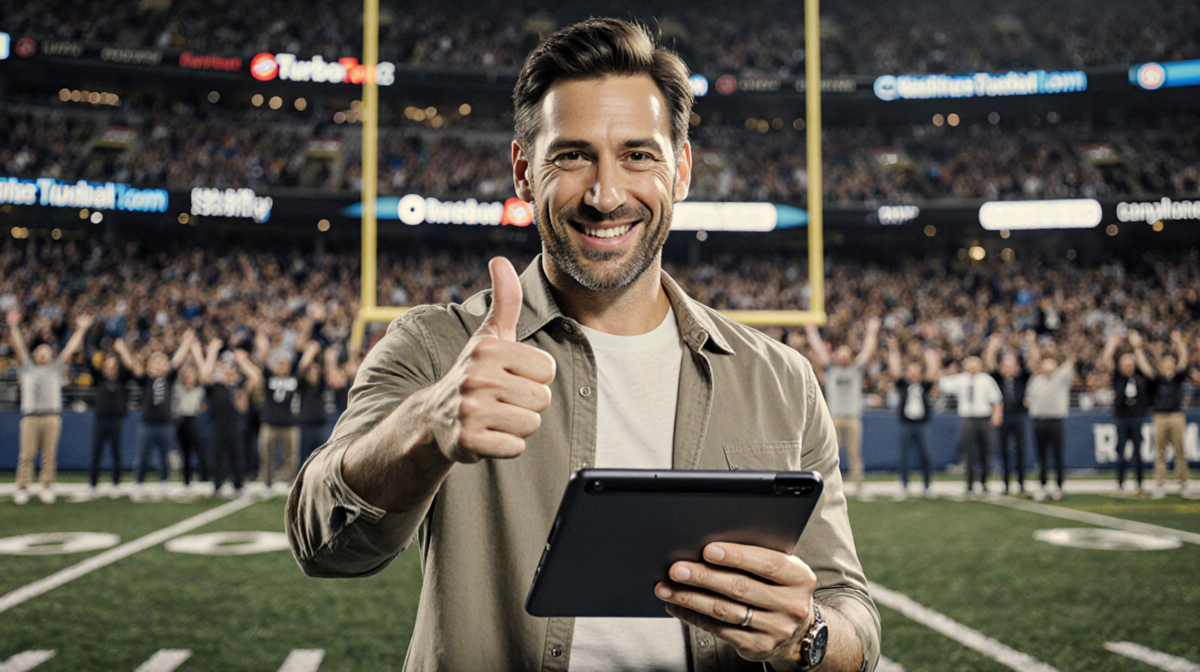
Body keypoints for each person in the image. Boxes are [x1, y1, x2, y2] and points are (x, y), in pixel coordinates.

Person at [286, 18, 878, 672]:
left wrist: (809, 635)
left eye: (638, 154)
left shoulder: (779, 380)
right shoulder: (439, 347)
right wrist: (427, 425)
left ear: (680, 170)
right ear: (522, 171)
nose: (605, 194)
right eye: (572, 155)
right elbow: (324, 543)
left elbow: (848, 610)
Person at [6, 309, 93, 505]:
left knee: (49, 455)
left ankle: (46, 486)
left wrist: (80, 330)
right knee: (26, 455)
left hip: (51, 416)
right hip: (30, 416)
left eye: (48, 352)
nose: (45, 355)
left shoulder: (56, 369)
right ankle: (23, 487)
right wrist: (13, 326)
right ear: (35, 354)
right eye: (41, 352)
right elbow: (19, 348)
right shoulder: (28, 368)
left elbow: (70, 349)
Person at [805, 317, 880, 500]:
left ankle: (859, 487)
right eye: (841, 353)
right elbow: (820, 351)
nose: (844, 357)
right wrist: (811, 331)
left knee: (855, 453)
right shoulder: (831, 369)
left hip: (852, 416)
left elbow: (868, 350)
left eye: (847, 354)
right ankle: (829, 488)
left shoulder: (856, 370)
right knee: (830, 455)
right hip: (835, 417)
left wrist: (872, 331)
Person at [245, 339, 321, 492]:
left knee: (291, 457)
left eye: (284, 363)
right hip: (269, 422)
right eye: (278, 363)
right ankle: (267, 481)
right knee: (266, 456)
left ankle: (290, 481)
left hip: (290, 423)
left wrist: (310, 352)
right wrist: (262, 346)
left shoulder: (294, 379)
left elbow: (302, 367)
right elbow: (264, 361)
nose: (281, 366)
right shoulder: (268, 378)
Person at [129, 331, 196, 498]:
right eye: (155, 363)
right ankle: (138, 483)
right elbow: (134, 366)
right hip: (148, 423)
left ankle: (165, 482)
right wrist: (129, 349)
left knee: (165, 457)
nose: (159, 366)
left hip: (165, 423)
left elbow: (177, 360)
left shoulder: (168, 378)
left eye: (161, 363)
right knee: (142, 456)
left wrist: (186, 343)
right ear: (149, 366)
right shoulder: (145, 379)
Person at [1133, 331, 1192, 499]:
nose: (1169, 365)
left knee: (1180, 451)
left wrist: (1180, 343)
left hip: (1176, 416)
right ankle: (1160, 484)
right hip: (1159, 417)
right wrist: (1138, 349)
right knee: (1160, 453)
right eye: (1166, 363)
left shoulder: (1177, 378)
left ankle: (1183, 483)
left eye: (1171, 362)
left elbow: (1185, 359)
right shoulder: (1157, 379)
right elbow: (1144, 367)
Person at [938, 356, 1003, 496]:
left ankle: (985, 481)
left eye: (975, 365)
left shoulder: (986, 380)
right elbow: (943, 385)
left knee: (986, 450)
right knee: (968, 451)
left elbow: (997, 399)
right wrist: (948, 372)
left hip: (984, 418)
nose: (973, 368)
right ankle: (969, 483)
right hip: (967, 418)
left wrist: (996, 415)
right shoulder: (960, 379)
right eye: (970, 365)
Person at [886, 337, 940, 500]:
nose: (914, 373)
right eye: (911, 370)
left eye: (916, 370)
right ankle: (904, 486)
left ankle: (927, 486)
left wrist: (930, 354)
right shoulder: (903, 384)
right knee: (904, 456)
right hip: (906, 424)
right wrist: (893, 351)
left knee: (925, 455)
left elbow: (932, 372)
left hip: (922, 424)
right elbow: (895, 371)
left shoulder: (924, 385)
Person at [1024, 342, 1077, 502]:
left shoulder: (1060, 379)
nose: (1047, 367)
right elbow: (1027, 398)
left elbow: (1070, 363)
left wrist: (1060, 350)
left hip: (1055, 421)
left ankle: (1059, 486)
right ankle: (1043, 486)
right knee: (1041, 457)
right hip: (1038, 421)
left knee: (1057, 455)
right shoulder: (1035, 380)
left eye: (1050, 364)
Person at [197, 338, 249, 498]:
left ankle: (238, 483)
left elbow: (243, 407)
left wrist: (242, 362)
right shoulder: (215, 385)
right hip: (217, 425)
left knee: (236, 455)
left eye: (231, 368)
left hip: (234, 425)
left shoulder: (236, 387)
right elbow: (205, 376)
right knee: (217, 455)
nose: (228, 371)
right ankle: (217, 484)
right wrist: (212, 352)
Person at [1100, 332, 1149, 497]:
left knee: (1138, 453)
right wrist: (1112, 344)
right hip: (1122, 419)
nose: (1128, 365)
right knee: (1120, 453)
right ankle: (1120, 484)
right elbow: (1106, 362)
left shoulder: (1139, 378)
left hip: (1136, 418)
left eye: (1130, 362)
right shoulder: (1118, 378)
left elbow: (1146, 368)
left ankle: (1140, 484)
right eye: (1125, 362)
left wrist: (1137, 347)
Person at [88, 339, 139, 498]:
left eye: (113, 366)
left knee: (116, 453)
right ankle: (93, 484)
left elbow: (130, 366)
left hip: (116, 420)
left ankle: (116, 483)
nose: (110, 369)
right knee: (97, 453)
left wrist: (122, 349)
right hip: (101, 419)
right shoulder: (100, 379)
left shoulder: (122, 379)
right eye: (107, 366)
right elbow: (90, 364)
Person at [984, 333, 1032, 496]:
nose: (1009, 368)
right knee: (1003, 450)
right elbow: (990, 364)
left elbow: (1032, 364)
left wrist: (1029, 344)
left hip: (1018, 415)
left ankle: (1021, 482)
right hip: (1003, 416)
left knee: (1020, 450)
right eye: (1006, 365)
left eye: (1012, 365)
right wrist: (993, 346)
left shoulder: (1022, 379)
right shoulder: (998, 379)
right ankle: (1005, 483)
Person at [173, 362, 209, 492]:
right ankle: (187, 480)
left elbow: (201, 405)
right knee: (185, 452)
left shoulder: (199, 389)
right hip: (181, 420)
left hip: (193, 419)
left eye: (192, 374)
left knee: (199, 450)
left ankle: (204, 476)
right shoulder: (178, 387)